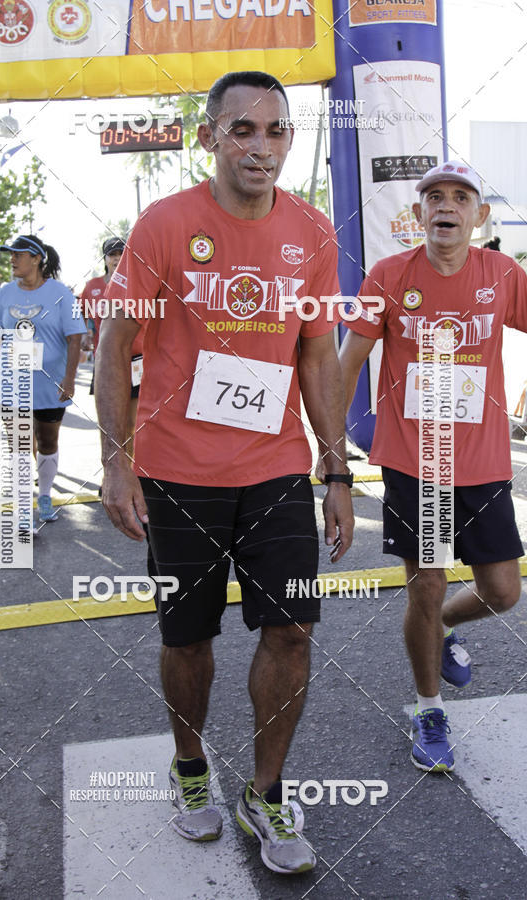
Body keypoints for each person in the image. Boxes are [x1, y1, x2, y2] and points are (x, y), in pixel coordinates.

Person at [96, 70, 354, 874]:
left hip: (275, 470)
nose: (261, 146)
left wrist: (336, 467)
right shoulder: (164, 226)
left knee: (292, 630)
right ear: (210, 137)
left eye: (277, 131)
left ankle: (267, 790)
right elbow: (113, 349)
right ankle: (192, 770)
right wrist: (117, 460)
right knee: (190, 638)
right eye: (243, 129)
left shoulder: (312, 233)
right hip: (178, 474)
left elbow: (315, 352)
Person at [340, 160, 526, 773]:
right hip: (418, 463)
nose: (446, 206)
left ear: (479, 215)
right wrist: (329, 446)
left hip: (484, 460)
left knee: (503, 590)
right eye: (435, 198)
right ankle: (427, 708)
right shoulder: (390, 276)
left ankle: (437, 626)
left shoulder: (502, 274)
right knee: (428, 580)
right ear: (418, 214)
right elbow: (349, 361)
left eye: (460, 197)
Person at [0, 235, 86, 522]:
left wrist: (69, 379)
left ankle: (44, 495)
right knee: (18, 443)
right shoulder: (4, 293)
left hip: (49, 384)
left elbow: (75, 338)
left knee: (47, 442)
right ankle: (23, 507)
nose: (12, 259)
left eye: (19, 254)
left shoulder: (62, 293)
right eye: (11, 255)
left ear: (37, 258)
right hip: (12, 383)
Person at [82, 237, 143, 465]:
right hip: (106, 360)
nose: (117, 258)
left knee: (132, 422)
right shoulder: (92, 287)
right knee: (108, 423)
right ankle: (110, 470)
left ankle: (130, 468)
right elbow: (87, 317)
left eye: (121, 253)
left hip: (137, 359)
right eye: (112, 254)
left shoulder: (139, 282)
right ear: (105, 258)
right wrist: (88, 334)